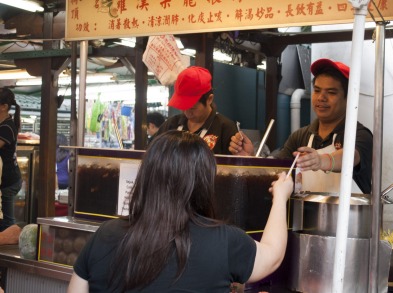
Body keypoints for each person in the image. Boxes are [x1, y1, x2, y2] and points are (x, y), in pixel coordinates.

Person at [68, 130, 293, 292]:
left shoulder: (104, 235)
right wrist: (280, 197)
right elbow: (272, 256)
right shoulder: (224, 241)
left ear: (147, 175)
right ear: (204, 182)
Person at [229, 58, 373, 194]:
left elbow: (350, 157)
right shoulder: (300, 136)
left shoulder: (360, 135)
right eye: (317, 90)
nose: (321, 98)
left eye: (331, 92)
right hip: (304, 217)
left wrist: (322, 160)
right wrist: (251, 157)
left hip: (350, 219)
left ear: (349, 98)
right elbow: (276, 170)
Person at [154, 66, 237, 155]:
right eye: (183, 106)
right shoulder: (171, 125)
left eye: (192, 108)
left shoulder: (225, 129)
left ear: (209, 99)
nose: (186, 112)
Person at [0, 88, 22, 231]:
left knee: (8, 222)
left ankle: (12, 247)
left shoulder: (7, 127)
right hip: (6, 177)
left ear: (3, 107)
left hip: (9, 180)